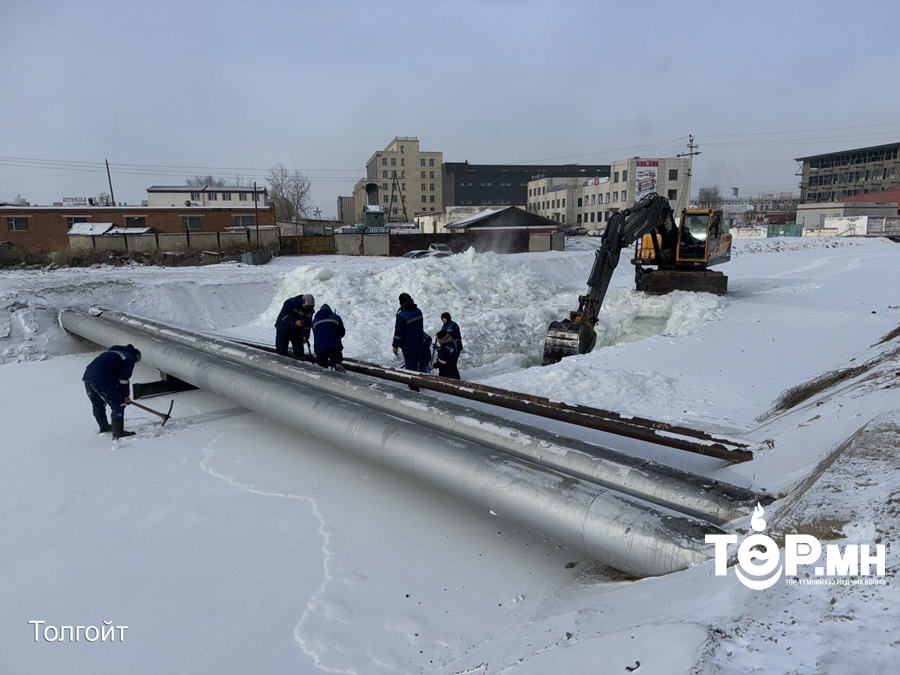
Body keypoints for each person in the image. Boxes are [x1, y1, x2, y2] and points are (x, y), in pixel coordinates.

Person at [82, 344, 142, 438]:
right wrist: (125, 396)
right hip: (102, 380)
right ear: (136, 357)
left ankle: (104, 427)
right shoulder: (128, 358)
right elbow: (123, 380)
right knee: (118, 404)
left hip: (88, 378)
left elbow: (112, 373)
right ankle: (118, 432)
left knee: (98, 403)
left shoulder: (112, 353)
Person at [392, 293, 425, 372]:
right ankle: (421, 381)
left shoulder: (402, 315)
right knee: (419, 363)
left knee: (411, 366)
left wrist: (395, 345)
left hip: (408, 345)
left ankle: (413, 383)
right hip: (419, 342)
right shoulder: (418, 311)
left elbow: (398, 333)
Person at [275, 294, 315, 358]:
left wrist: (306, 335)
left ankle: (300, 362)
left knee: (299, 352)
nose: (308, 308)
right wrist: (294, 322)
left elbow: (307, 324)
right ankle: (281, 363)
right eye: (307, 306)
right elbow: (284, 316)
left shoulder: (309, 311)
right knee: (281, 350)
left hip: (296, 331)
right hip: (283, 328)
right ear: (303, 302)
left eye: (309, 307)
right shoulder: (291, 303)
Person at [312, 303, 346, 372]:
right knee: (336, 359)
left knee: (322, 364)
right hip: (334, 345)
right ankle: (337, 364)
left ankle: (322, 372)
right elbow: (342, 331)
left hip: (319, 347)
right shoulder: (336, 317)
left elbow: (316, 334)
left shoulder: (314, 321)